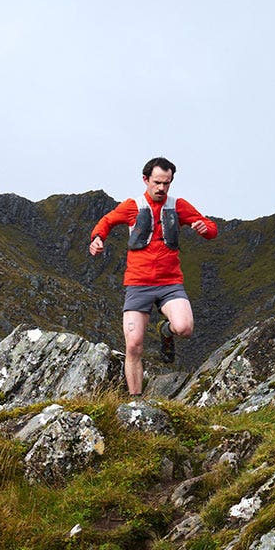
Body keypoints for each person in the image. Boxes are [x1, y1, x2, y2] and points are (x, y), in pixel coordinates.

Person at [87, 157, 218, 397]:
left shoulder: (178, 206)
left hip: (170, 283)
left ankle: (165, 330)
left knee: (185, 327)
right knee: (134, 345)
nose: (161, 188)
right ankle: (135, 401)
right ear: (145, 180)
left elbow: (210, 228)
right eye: (157, 182)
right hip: (138, 284)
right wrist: (97, 238)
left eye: (166, 183)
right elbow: (106, 221)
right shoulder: (132, 206)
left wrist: (204, 229)